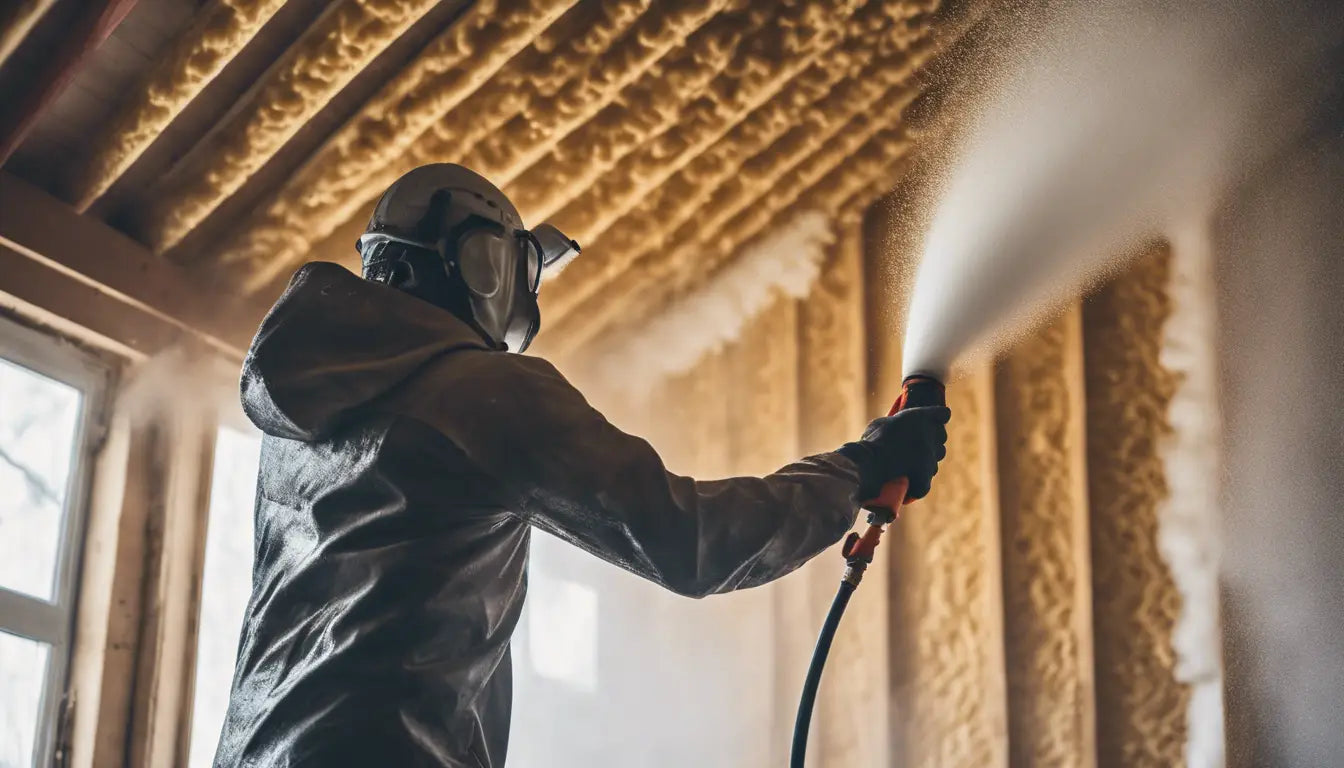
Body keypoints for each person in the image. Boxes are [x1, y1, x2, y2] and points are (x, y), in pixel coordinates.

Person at [213, 164, 950, 767]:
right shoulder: (485, 393)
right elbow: (693, 542)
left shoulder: (299, 417)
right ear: (485, 263)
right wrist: (859, 467)